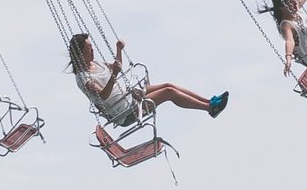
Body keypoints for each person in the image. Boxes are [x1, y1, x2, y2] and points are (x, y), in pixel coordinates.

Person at [67, 33, 227, 127]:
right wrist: (114, 75)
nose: (92, 49)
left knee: (168, 85)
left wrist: (118, 50)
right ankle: (209, 109)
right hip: (125, 112)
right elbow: (102, 96)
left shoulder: (95, 63)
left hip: (129, 97)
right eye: (89, 48)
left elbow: (117, 67)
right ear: (80, 53)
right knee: (169, 93)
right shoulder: (83, 78)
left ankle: (210, 102)